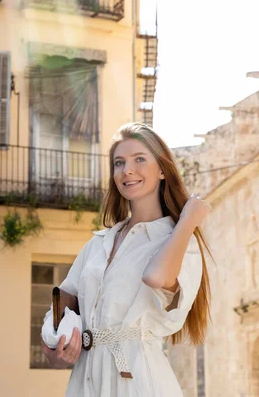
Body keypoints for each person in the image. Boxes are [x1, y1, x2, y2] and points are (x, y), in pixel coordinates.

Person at [41, 122, 212, 396]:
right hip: (85, 380)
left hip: (138, 380)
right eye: (119, 163)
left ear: (162, 170)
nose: (127, 170)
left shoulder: (180, 242)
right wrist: (52, 348)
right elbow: (62, 301)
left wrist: (188, 220)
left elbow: (155, 277)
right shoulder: (98, 243)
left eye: (139, 159)